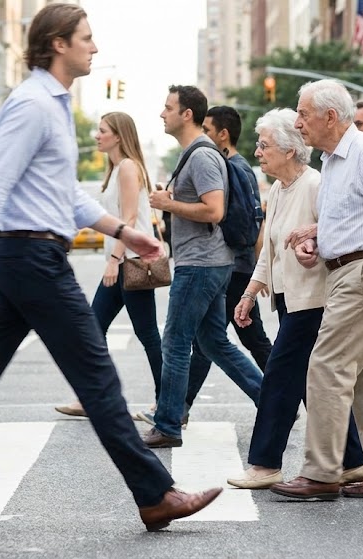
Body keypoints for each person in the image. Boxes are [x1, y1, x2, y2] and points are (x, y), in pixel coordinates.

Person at [0, 4, 220, 534]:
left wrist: (122, 231)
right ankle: (156, 495)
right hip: (33, 259)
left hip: (27, 257)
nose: (95, 47)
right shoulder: (33, 104)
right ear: (58, 43)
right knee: (98, 378)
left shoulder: (53, 106)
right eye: (86, 38)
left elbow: (61, 195)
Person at [268, 80, 363, 500]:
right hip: (348, 271)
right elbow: (357, 218)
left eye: (303, 114)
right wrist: (317, 235)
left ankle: (322, 473)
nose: (298, 123)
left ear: (330, 117)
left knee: (326, 367)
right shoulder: (333, 160)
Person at [225, 109, 363, 490]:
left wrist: (313, 245)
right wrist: (250, 292)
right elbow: (270, 251)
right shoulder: (277, 189)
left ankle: (264, 463)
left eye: (265, 144)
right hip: (290, 300)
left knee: (279, 378)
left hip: (316, 299)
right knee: (309, 382)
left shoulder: (316, 185)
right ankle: (353, 460)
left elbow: (337, 234)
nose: (257, 151)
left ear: (290, 150)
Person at [143, 85, 263, 448]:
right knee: (213, 342)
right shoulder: (194, 154)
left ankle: (167, 425)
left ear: (187, 114)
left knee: (176, 341)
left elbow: (215, 210)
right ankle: (274, 403)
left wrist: (168, 203)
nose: (162, 114)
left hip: (201, 264)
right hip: (208, 262)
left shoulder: (201, 157)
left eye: (168, 108)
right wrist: (173, 200)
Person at [55, 112, 163, 417]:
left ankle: (168, 404)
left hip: (131, 263)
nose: (96, 136)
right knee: (92, 329)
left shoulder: (128, 167)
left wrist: (114, 260)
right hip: (122, 261)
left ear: (118, 135)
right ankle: (90, 398)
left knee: (147, 334)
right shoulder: (116, 169)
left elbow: (128, 220)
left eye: (102, 131)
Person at [182, 105, 272, 417]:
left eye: (206, 129)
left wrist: (259, 271)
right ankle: (181, 406)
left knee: (245, 340)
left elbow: (252, 221)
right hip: (237, 265)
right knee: (211, 340)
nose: (201, 135)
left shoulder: (235, 168)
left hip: (235, 267)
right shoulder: (232, 165)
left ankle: (280, 399)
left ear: (223, 134)